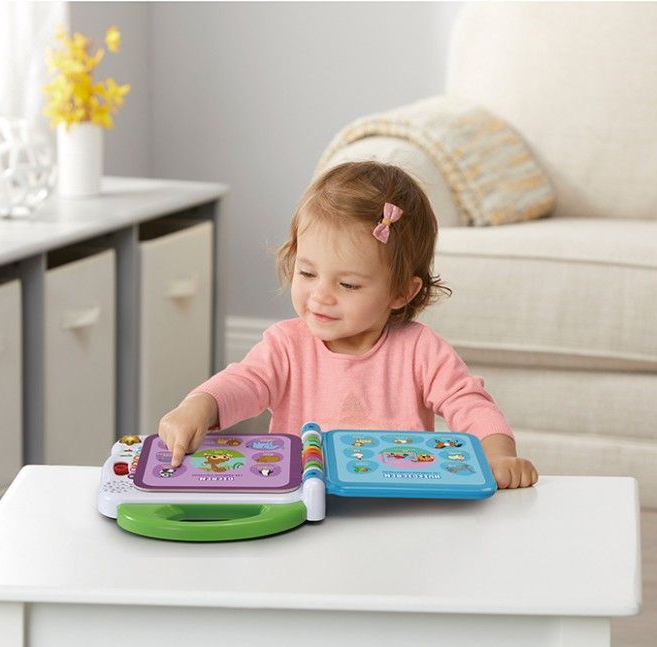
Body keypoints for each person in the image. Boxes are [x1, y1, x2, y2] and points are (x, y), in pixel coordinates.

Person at [158, 161, 538, 488]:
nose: (320, 296)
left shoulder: (420, 350)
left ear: (401, 292)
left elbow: (467, 402)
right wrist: (200, 405)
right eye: (307, 273)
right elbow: (245, 382)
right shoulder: (286, 345)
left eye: (348, 285)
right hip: (304, 504)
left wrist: (497, 455)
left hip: (400, 506)